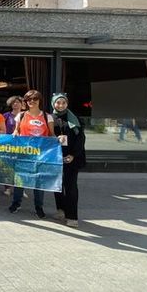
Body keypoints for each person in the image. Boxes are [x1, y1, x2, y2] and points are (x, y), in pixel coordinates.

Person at [9, 89, 55, 218]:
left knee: (39, 182)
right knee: (20, 180)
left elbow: (51, 135)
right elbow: (16, 131)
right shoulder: (21, 115)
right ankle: (16, 203)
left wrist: (58, 140)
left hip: (41, 155)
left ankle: (39, 207)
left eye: (35, 99)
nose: (32, 102)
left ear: (40, 101)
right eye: (29, 100)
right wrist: (14, 134)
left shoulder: (47, 116)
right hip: (24, 153)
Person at [52, 93, 86, 228]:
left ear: (67, 104)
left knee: (71, 187)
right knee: (57, 185)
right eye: (58, 103)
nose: (60, 105)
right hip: (55, 157)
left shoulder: (74, 119)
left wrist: (73, 155)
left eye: (63, 103)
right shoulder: (50, 118)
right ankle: (61, 210)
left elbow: (81, 139)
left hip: (71, 158)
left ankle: (72, 217)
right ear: (53, 103)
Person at [2, 95, 23, 196]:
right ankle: (8, 188)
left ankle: (20, 189)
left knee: (20, 167)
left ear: (22, 104)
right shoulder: (6, 115)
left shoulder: (25, 115)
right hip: (8, 145)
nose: (15, 104)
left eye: (18, 102)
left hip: (22, 145)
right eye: (13, 102)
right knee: (8, 167)